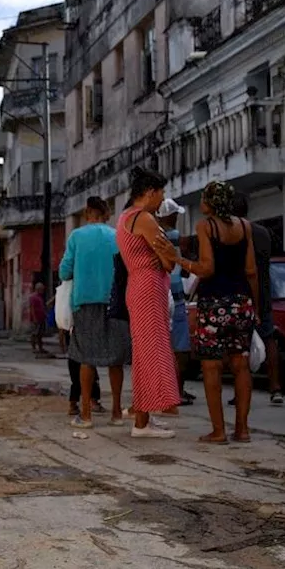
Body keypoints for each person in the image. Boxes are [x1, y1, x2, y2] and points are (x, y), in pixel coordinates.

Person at [118, 167, 190, 439]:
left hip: (139, 285)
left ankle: (143, 416)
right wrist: (169, 257)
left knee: (145, 352)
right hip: (149, 286)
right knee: (150, 352)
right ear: (149, 193)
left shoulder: (125, 217)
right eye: (161, 194)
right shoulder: (144, 218)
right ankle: (142, 423)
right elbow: (169, 260)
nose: (162, 200)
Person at [190, 181, 259, 444]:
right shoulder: (245, 226)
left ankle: (218, 431)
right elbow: (251, 270)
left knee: (211, 366)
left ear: (209, 202)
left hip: (214, 303)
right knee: (241, 365)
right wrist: (256, 307)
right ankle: (242, 430)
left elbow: (206, 268)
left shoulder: (205, 226)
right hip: (242, 302)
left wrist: (181, 261)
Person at [59, 196, 129, 428]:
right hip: (115, 301)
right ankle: (117, 413)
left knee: (86, 358)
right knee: (115, 359)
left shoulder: (77, 236)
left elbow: (64, 271)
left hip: (85, 302)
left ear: (88, 212)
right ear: (105, 213)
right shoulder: (117, 236)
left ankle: (87, 414)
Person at [234, 194, 283, 406]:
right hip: (263, 293)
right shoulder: (263, 232)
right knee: (269, 338)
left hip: (241, 293)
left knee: (239, 345)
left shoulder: (233, 233)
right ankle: (275, 387)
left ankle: (241, 391)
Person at [157, 198, 196, 407]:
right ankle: (177, 392)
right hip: (177, 297)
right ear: (171, 216)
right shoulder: (179, 239)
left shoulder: (154, 235)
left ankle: (163, 390)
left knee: (162, 346)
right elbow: (188, 268)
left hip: (159, 293)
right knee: (181, 348)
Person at [28, 282, 48, 355]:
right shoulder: (33, 297)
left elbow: (42, 307)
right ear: (38, 289)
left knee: (40, 334)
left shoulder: (39, 297)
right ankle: (34, 348)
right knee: (34, 333)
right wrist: (34, 318)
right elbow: (32, 308)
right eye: (42, 289)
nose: (43, 291)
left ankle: (40, 348)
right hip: (36, 319)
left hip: (41, 318)